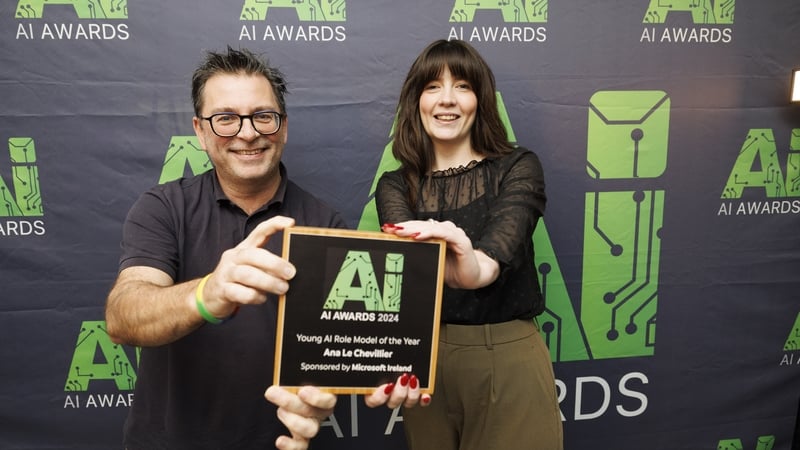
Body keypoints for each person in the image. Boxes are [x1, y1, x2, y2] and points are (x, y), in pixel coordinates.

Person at [104, 46, 342, 450]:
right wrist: (206, 294)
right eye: (226, 119)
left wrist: (331, 395)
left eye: (263, 116)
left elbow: (339, 351)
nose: (248, 133)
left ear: (282, 127)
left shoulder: (326, 224)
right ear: (200, 130)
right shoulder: (163, 207)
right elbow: (123, 315)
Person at [369, 39, 564, 450]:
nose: (447, 100)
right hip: (424, 358)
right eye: (432, 87)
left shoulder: (518, 166)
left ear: (480, 99)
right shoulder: (395, 184)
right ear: (416, 101)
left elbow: (493, 257)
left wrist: (469, 267)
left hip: (507, 355)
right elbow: (413, 269)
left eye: (462, 85)